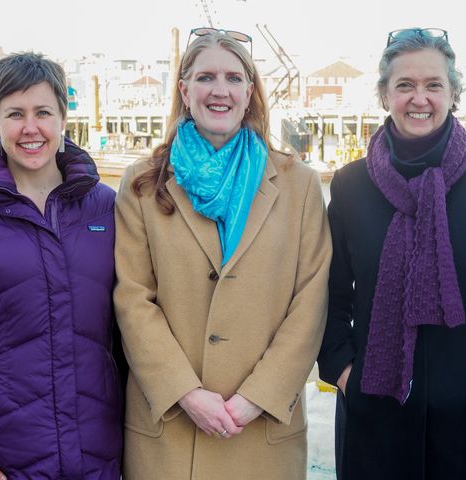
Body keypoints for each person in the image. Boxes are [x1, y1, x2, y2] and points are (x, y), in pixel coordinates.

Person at [113, 28, 330, 479]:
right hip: (171, 428)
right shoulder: (141, 183)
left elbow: (310, 301)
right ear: (184, 89)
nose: (220, 90)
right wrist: (186, 394)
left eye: (234, 78)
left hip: (262, 429)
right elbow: (133, 300)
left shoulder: (299, 184)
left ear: (250, 93)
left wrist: (258, 396)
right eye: (206, 76)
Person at [317, 28, 466, 479]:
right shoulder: (351, 185)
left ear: (453, 93)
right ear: (385, 94)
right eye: (405, 85)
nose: (419, 98)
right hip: (377, 409)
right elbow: (331, 294)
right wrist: (345, 371)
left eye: (433, 85)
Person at [0, 52, 123, 479]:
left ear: (64, 119)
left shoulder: (107, 207)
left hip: (98, 455)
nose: (31, 128)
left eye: (43, 112)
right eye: (15, 113)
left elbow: (133, 328)